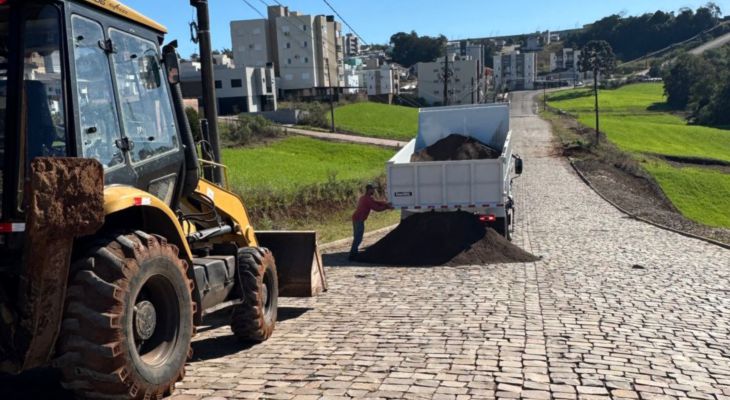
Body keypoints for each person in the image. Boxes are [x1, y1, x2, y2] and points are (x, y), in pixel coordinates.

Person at [349, 183, 393, 261]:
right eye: (373, 189)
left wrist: (385, 203)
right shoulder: (368, 199)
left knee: (357, 236)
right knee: (358, 237)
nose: (374, 191)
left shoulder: (364, 197)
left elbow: (376, 202)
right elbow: (377, 208)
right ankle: (352, 254)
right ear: (369, 190)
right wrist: (387, 207)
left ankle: (353, 252)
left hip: (356, 218)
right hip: (358, 219)